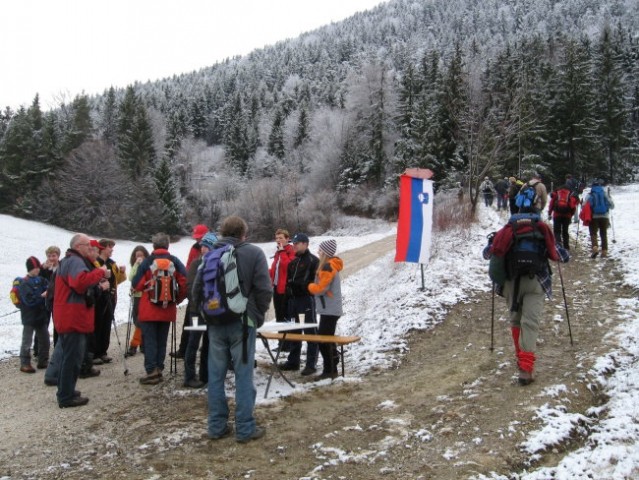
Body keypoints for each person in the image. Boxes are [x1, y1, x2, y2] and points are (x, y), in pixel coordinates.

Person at [192, 215, 272, 443]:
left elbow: (196, 291)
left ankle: (216, 427)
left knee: (216, 377)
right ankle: (245, 429)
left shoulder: (208, 256)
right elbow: (265, 289)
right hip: (243, 324)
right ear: (243, 234)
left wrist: (207, 314)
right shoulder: (253, 253)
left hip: (216, 325)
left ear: (222, 233)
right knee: (243, 376)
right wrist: (256, 316)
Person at [484, 212, 569, 385]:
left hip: (510, 284)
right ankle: (525, 369)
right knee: (530, 323)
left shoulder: (505, 233)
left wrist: (490, 242)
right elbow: (562, 256)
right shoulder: (541, 232)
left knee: (516, 321)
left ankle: (520, 359)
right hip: (536, 283)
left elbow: (487, 254)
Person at [53, 233, 108, 407]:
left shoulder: (68, 261)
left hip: (67, 316)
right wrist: (100, 272)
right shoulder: (75, 262)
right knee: (72, 358)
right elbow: (80, 282)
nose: (90, 249)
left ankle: (66, 390)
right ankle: (66, 396)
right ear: (78, 246)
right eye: (87, 245)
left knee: (70, 356)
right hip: (73, 317)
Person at [132, 232, 187, 385]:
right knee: (162, 340)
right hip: (167, 308)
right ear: (168, 245)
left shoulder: (147, 262)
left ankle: (151, 372)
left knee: (149, 340)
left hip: (148, 308)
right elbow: (185, 282)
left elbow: (136, 284)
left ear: (154, 246)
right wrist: (177, 300)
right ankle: (159, 369)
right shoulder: (174, 261)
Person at [279, 233, 320, 376]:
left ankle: (311, 364)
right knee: (294, 330)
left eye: (297, 243)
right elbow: (288, 284)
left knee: (309, 330)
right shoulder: (293, 263)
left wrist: (299, 287)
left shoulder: (313, 260)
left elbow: (312, 283)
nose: (294, 245)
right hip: (293, 302)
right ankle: (293, 361)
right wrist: (285, 301)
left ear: (305, 244)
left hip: (305, 301)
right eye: (293, 243)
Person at [183, 232, 218, 388]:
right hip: (196, 311)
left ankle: (205, 374)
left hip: (211, 311)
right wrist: (199, 303)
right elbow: (190, 287)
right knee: (193, 342)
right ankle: (189, 376)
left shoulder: (217, 264)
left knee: (209, 343)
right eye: (202, 246)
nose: (203, 249)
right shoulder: (196, 264)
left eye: (207, 246)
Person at [308, 239, 343, 380]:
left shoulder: (328, 267)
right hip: (329, 309)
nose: (318, 252)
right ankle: (332, 363)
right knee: (326, 338)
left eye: (320, 250)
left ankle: (330, 370)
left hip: (329, 309)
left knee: (323, 340)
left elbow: (322, 288)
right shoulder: (330, 266)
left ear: (326, 253)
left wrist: (310, 287)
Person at [174, 223, 209, 359]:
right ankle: (184, 349)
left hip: (208, 295)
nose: (198, 241)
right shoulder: (194, 249)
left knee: (209, 324)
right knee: (190, 322)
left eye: (200, 238)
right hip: (194, 294)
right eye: (196, 238)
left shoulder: (213, 249)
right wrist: (189, 289)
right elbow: (188, 268)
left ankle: (205, 350)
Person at [10, 257, 50, 373]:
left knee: (45, 340)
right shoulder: (24, 283)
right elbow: (29, 301)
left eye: (38, 268)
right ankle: (25, 363)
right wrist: (42, 296)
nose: (37, 270)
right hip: (29, 316)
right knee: (27, 340)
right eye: (35, 268)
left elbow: (49, 288)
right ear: (30, 269)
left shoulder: (42, 280)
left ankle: (43, 361)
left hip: (41, 315)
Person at [93, 239, 126, 364]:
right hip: (99, 297)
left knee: (107, 324)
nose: (111, 249)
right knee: (97, 324)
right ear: (102, 248)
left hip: (111, 297)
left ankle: (102, 351)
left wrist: (122, 273)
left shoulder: (112, 264)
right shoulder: (96, 263)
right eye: (109, 247)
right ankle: (94, 353)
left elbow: (118, 280)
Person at [269, 228, 296, 352]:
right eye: (277, 238)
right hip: (276, 288)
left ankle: (289, 343)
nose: (278, 240)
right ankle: (282, 343)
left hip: (286, 289)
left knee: (286, 316)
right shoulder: (278, 253)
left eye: (281, 238)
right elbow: (275, 269)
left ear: (287, 239)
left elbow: (288, 266)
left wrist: (282, 252)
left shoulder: (290, 251)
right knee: (279, 316)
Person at [34, 245, 60, 355]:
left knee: (58, 325)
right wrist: (42, 269)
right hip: (44, 300)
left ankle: (58, 351)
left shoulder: (62, 267)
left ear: (58, 256)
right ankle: (38, 351)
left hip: (57, 300)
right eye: (49, 256)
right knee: (42, 325)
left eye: (53, 256)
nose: (51, 258)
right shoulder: (42, 268)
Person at [126, 245, 150, 356]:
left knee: (141, 320)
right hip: (136, 296)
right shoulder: (135, 265)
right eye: (137, 256)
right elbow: (131, 277)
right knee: (136, 319)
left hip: (144, 296)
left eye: (141, 255)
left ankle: (134, 345)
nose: (139, 258)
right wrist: (136, 265)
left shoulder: (149, 267)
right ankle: (143, 343)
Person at [583, 180, 615, 258]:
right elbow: (612, 205)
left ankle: (595, 247)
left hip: (594, 217)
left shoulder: (590, 194)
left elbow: (584, 206)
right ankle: (604, 251)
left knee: (593, 233)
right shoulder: (604, 194)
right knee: (603, 233)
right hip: (605, 217)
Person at [548, 182, 578, 250]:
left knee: (557, 231)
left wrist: (549, 213)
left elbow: (551, 204)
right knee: (565, 231)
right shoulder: (570, 194)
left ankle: (558, 246)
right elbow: (573, 206)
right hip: (567, 216)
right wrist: (571, 215)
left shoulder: (557, 193)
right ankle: (566, 246)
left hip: (557, 215)